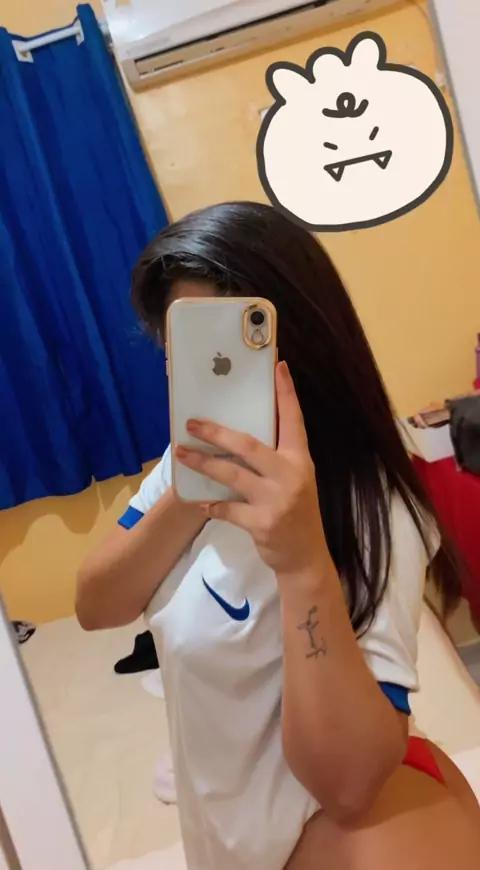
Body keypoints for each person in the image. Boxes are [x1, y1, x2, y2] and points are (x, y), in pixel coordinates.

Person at [76, 202, 480, 870]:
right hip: (225, 832)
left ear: (300, 346)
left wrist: (302, 564)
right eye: (184, 354)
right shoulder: (182, 471)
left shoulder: (371, 503)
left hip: (340, 831)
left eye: (233, 349)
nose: (202, 374)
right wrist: (195, 489)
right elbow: (97, 605)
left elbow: (348, 787)